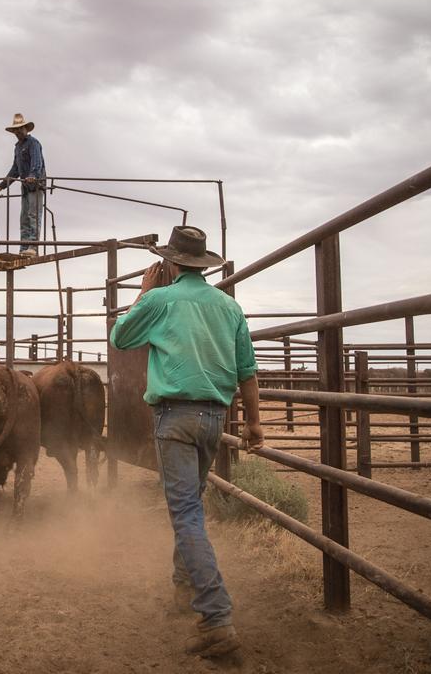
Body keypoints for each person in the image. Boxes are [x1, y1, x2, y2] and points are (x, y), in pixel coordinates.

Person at [109, 225, 265, 659]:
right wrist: (254, 425)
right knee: (192, 504)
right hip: (215, 417)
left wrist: (142, 292)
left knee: (185, 513)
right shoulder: (229, 307)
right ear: (203, 263)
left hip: (174, 418)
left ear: (171, 264)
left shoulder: (160, 300)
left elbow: (120, 339)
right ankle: (183, 587)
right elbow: (247, 370)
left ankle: (216, 616)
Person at [0, 113, 46, 256]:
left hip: (36, 185)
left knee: (33, 215)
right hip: (26, 186)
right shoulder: (17, 147)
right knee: (25, 217)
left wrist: (33, 176)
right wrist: (2, 185)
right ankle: (24, 248)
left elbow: (37, 162)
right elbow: (15, 169)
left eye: (20, 129)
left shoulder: (33, 143)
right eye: (15, 130)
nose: (17, 132)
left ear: (26, 129)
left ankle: (33, 247)